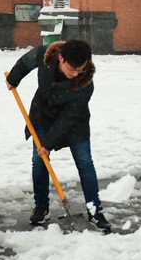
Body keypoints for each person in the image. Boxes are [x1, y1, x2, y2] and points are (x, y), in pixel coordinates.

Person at [6, 39, 112, 233]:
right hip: (43, 115)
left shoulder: (85, 83)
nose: (75, 74)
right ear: (60, 58)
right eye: (71, 69)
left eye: (80, 69)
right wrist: (14, 78)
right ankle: (41, 206)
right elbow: (25, 62)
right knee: (39, 161)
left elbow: (68, 117)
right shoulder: (46, 55)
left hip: (74, 123)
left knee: (85, 162)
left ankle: (95, 210)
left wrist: (47, 143)